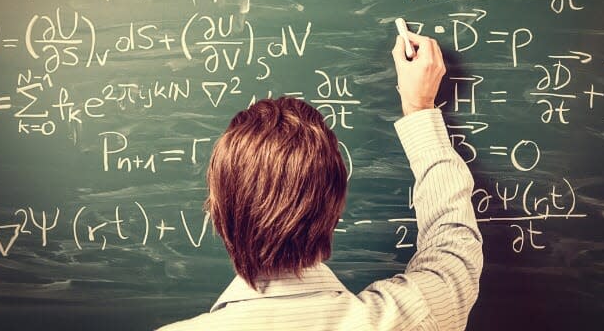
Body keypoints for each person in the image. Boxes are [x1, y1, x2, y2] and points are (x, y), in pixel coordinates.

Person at [158, 33, 483, 331]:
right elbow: (453, 248)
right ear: (335, 208)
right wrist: (419, 108)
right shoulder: (409, 318)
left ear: (218, 214)